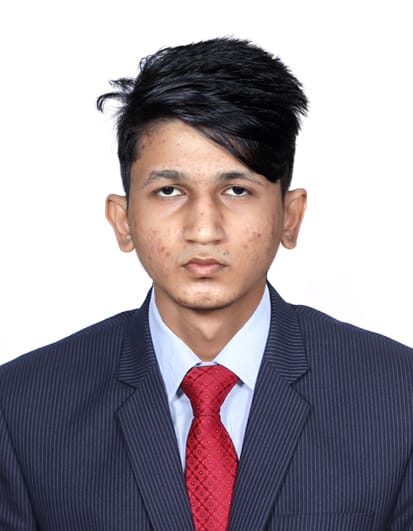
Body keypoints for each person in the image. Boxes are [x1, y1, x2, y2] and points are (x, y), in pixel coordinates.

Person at [0, 38, 412, 531]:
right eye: (169, 190)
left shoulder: (399, 399)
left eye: (236, 190)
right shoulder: (22, 408)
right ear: (123, 220)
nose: (203, 228)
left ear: (290, 216)